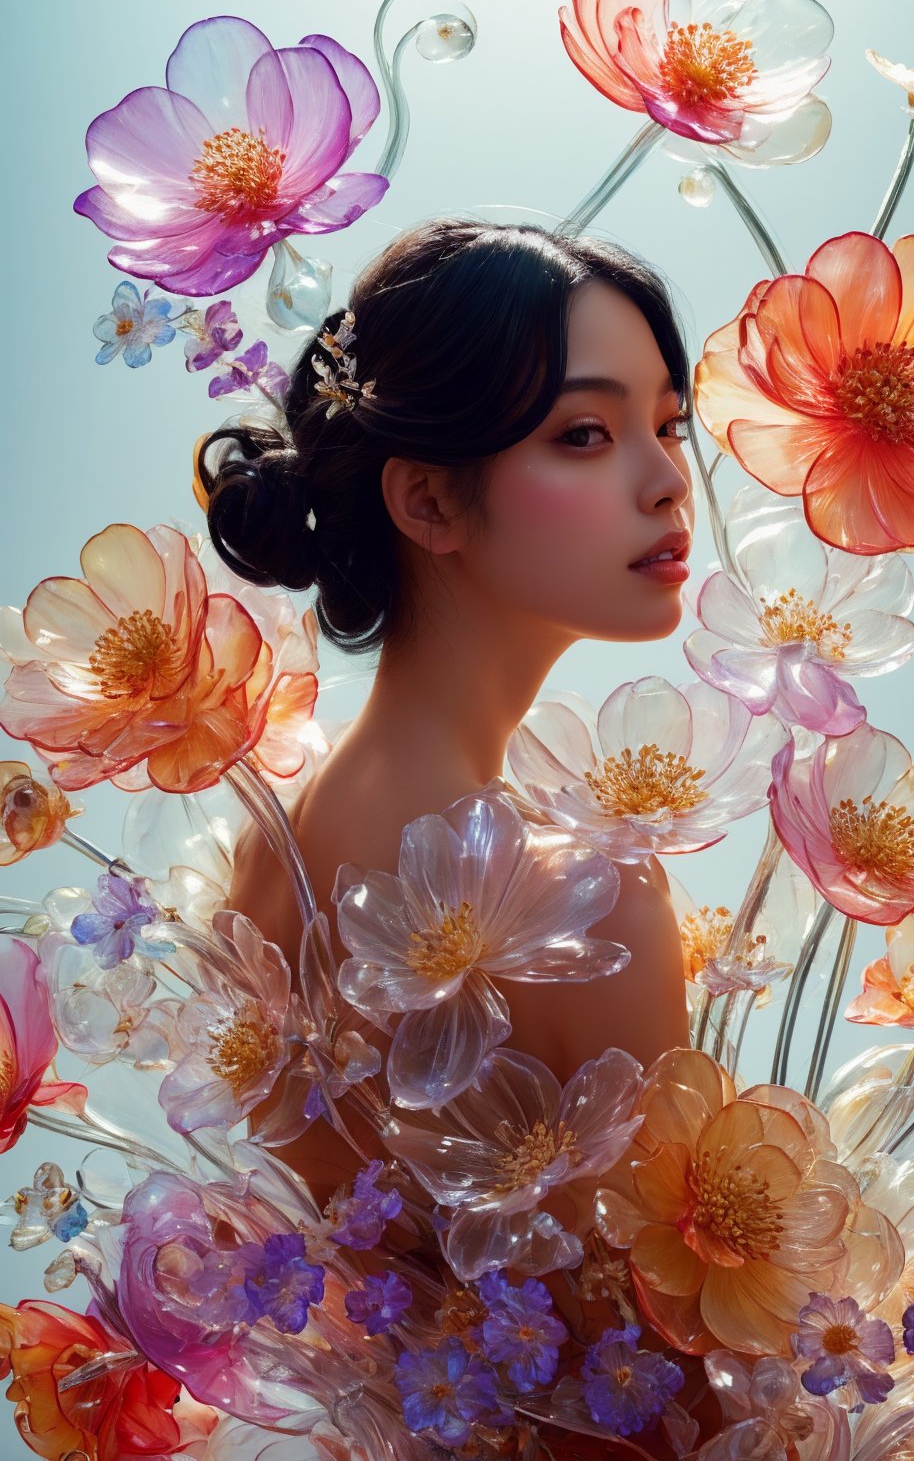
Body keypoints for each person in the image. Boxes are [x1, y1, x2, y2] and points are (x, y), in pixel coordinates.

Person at [205, 215, 695, 1206]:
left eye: (669, 425)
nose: (667, 483)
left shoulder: (269, 851)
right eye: (586, 434)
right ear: (426, 501)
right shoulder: (587, 912)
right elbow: (671, 1342)